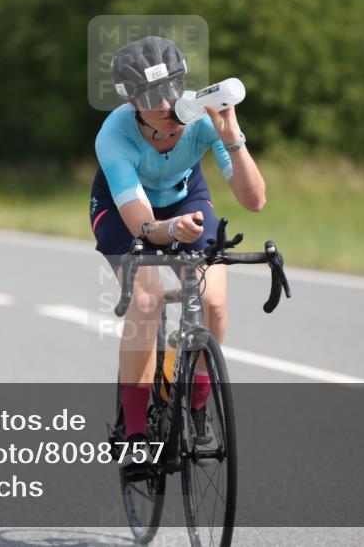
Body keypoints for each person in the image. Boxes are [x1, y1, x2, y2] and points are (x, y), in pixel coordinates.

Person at [90, 36, 266, 465]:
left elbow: (254, 200)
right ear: (132, 100)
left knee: (213, 300)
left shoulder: (203, 117)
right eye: (153, 96)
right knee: (147, 299)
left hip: (185, 197)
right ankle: (133, 433)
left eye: (174, 88)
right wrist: (169, 231)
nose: (169, 103)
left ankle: (200, 406)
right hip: (124, 209)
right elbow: (143, 225)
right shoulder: (114, 135)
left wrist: (233, 138)